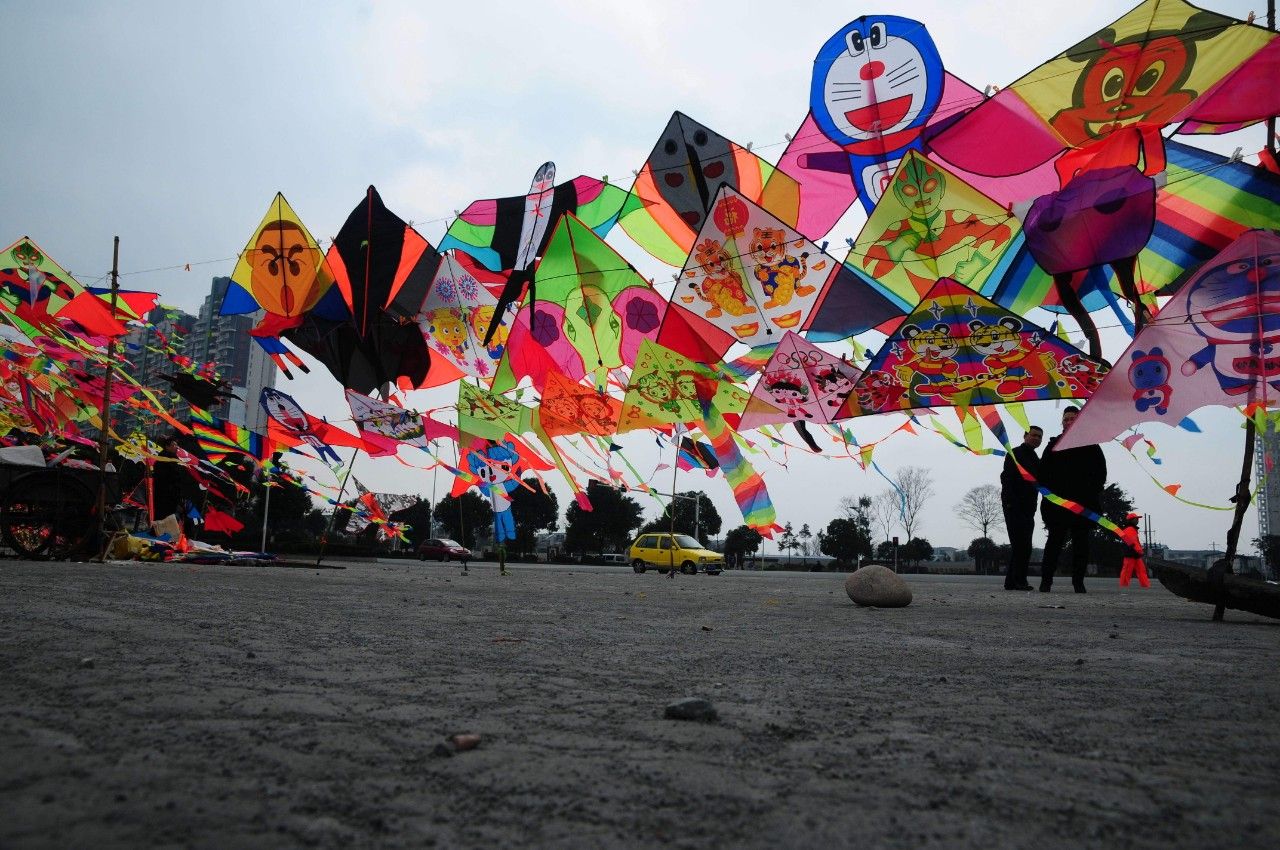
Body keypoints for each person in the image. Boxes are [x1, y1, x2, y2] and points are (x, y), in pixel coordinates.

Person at [1038, 406, 1107, 593]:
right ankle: (1046, 582)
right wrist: (1049, 497)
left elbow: (1101, 474)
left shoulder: (1092, 446)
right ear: (1062, 422)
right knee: (1054, 543)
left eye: (1073, 419)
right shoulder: (1053, 445)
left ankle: (1078, 582)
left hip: (1083, 504)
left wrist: (1092, 493)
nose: (1069, 422)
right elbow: (1042, 473)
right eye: (1066, 419)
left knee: (1081, 544)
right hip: (1057, 505)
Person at [1000, 425, 1043, 590]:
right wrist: (1010, 502)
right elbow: (1007, 478)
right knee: (1021, 544)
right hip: (1014, 506)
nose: (1037, 439)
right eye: (1034, 435)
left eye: (1039, 437)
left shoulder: (1035, 458)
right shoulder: (1015, 453)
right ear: (1025, 436)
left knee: (1023, 544)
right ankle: (1019, 581)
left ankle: (1011, 581)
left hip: (1028, 508)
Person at [1118, 513, 1150, 588]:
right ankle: (1124, 586)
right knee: (1129, 571)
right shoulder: (1130, 529)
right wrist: (1140, 551)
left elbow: (1134, 542)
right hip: (1131, 553)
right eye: (1136, 519)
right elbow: (1133, 542)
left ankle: (1144, 585)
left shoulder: (1132, 529)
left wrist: (1139, 551)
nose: (1137, 520)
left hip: (1133, 553)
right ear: (1131, 520)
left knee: (1139, 570)